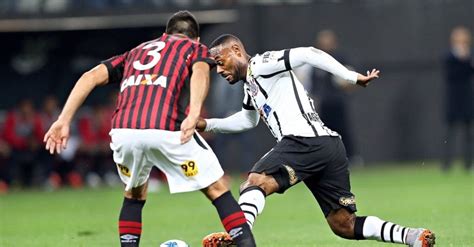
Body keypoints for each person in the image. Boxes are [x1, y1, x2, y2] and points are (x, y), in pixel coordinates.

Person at [198, 34, 435, 246]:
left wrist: (351, 77)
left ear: (237, 51)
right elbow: (248, 121)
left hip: (303, 141)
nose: (218, 71)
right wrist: (207, 124)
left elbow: (309, 54)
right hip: (328, 145)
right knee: (344, 224)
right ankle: (411, 236)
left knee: (253, 183)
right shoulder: (251, 85)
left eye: (220, 62)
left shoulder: (261, 64)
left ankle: (239, 236)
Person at [43, 12, 255, 247]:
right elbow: (200, 72)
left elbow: (90, 76)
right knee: (217, 188)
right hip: (164, 127)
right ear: (194, 39)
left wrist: (63, 120)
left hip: (124, 131)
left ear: (165, 35)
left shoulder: (135, 52)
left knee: (134, 193)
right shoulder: (195, 49)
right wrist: (194, 112)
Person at [307, 30, 361, 164]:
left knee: (343, 129)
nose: (325, 44)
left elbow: (351, 80)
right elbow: (314, 84)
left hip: (338, 101)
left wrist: (346, 85)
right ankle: (329, 159)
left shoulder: (340, 58)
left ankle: (352, 157)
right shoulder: (316, 61)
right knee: (325, 132)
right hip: (324, 103)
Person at [442, 26, 473, 172]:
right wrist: (462, 60)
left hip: (467, 99)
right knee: (450, 133)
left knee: (468, 134)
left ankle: (468, 164)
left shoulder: (469, 58)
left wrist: (467, 60)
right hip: (453, 100)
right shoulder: (448, 57)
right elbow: (451, 76)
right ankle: (446, 164)